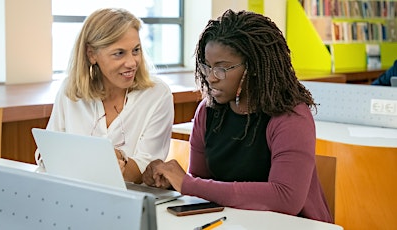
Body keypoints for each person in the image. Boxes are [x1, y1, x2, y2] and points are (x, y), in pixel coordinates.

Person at [142, 9, 333, 223]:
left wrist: (187, 184)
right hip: (231, 222)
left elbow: (286, 199)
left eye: (222, 69)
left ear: (253, 68)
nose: (211, 78)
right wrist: (171, 181)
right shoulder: (208, 111)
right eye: (207, 66)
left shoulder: (290, 116)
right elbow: (201, 184)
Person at [36, 8, 174, 184]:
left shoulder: (157, 95)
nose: (132, 62)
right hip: (74, 196)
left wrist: (119, 163)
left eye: (136, 50)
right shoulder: (70, 91)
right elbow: (47, 154)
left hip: (130, 200)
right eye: (119, 53)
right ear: (91, 54)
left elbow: (146, 171)